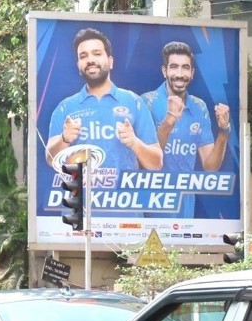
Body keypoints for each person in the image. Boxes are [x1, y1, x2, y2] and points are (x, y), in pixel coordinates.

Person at [46, 27, 162, 173]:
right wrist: (64, 139)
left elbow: (156, 163)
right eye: (83, 56)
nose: (90, 60)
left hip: (124, 195)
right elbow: (50, 159)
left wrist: (134, 142)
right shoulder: (65, 107)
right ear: (78, 66)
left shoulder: (134, 102)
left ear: (110, 61)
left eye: (97, 53)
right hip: (81, 194)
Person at [141, 41, 232, 218]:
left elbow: (210, 167)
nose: (180, 74)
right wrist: (170, 120)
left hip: (185, 204)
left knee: (183, 247)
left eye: (185, 68)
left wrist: (223, 131)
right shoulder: (147, 102)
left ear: (192, 73)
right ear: (164, 71)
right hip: (153, 200)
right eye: (174, 67)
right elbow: (147, 160)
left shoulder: (199, 107)